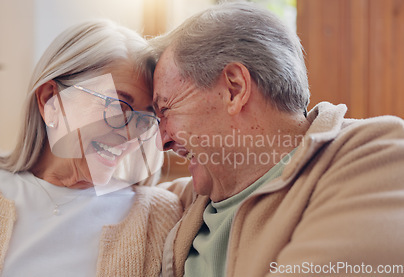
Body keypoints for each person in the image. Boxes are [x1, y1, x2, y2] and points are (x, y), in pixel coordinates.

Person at [0, 19, 182, 276]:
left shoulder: (158, 219)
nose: (131, 135)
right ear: (52, 100)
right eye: (118, 106)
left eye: (145, 118)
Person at [149, 2, 404, 277]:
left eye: (165, 109)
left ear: (234, 89)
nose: (162, 141)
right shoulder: (187, 199)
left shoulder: (373, 155)